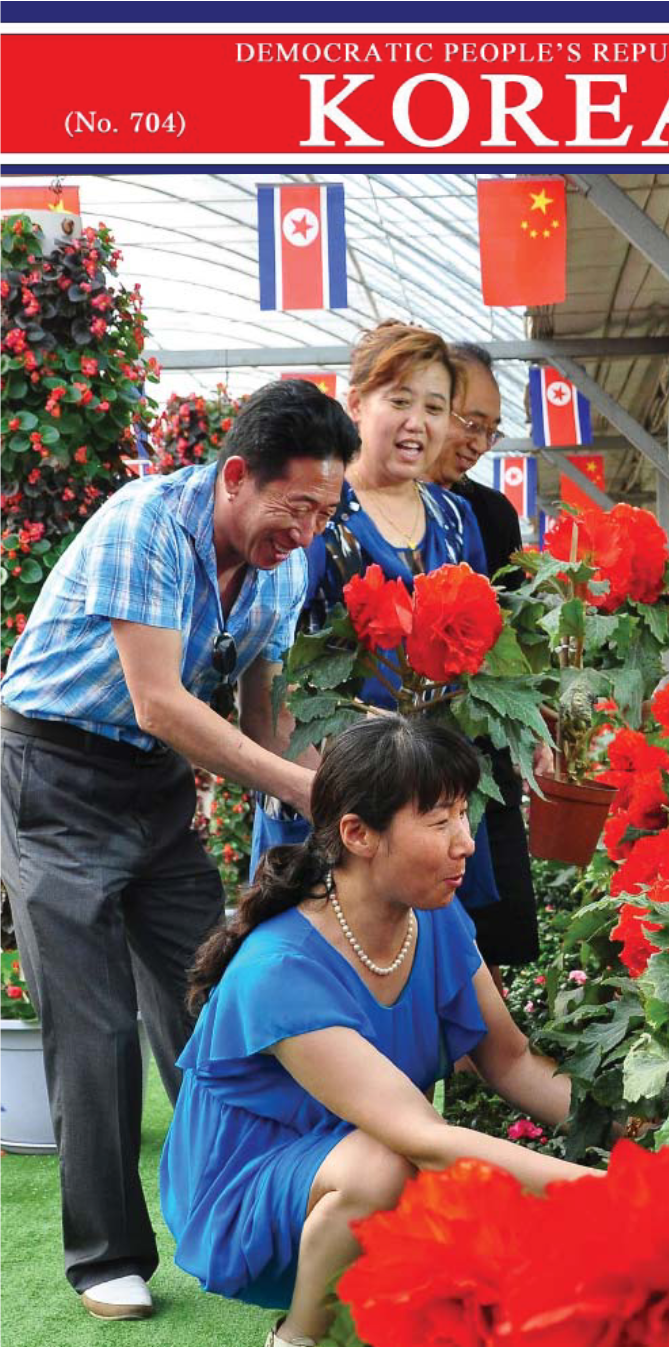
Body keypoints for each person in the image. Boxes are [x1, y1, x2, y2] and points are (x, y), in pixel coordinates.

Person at [0, 378, 357, 1321]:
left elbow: (268, 719)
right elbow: (158, 698)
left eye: (325, 512)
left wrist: (343, 792)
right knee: (94, 1019)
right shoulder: (145, 522)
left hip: (157, 786)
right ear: (236, 476)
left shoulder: (279, 568)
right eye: (296, 506)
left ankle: (244, 1207)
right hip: (53, 768)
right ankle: (104, 1256)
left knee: (216, 988)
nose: (308, 531)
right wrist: (300, 789)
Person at [161, 715, 593, 1347]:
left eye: (463, 815)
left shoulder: (434, 918)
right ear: (358, 835)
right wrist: (616, 1193)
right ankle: (298, 1338)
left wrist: (636, 1131)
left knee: (394, 1166)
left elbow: (512, 1062)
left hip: (358, 1155)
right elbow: (424, 1139)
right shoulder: (279, 969)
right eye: (439, 820)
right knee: (390, 1163)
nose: (465, 842)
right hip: (245, 1195)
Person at [251, 322, 497, 917]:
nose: (419, 422)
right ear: (356, 404)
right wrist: (329, 797)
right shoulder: (321, 517)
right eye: (400, 400)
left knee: (436, 960)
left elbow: (487, 646)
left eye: (436, 407)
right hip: (340, 790)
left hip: (438, 790)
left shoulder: (456, 518)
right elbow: (274, 670)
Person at [428, 342, 542, 978]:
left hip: (480, 751)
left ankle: (482, 1070)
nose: (476, 441)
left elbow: (514, 638)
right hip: (402, 754)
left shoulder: (489, 515)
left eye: (490, 431)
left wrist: (532, 721)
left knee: (485, 944)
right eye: (469, 422)